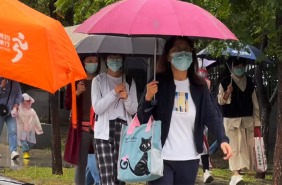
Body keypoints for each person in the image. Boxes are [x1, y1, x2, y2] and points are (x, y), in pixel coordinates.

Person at [139, 36, 232, 185]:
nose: (183, 54)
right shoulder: (157, 83)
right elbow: (141, 118)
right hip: (161, 157)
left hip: (189, 159)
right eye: (177, 50)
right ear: (168, 56)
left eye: (186, 50)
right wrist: (148, 98)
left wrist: (222, 139)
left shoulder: (199, 87)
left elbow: (212, 116)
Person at [92, 54, 137, 185]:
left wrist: (127, 98)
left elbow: (133, 110)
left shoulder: (129, 80)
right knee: (107, 177)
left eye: (118, 58)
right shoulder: (99, 80)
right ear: (106, 60)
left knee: (120, 177)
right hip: (104, 132)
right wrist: (114, 92)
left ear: (123, 60)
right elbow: (97, 108)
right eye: (112, 57)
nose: (115, 61)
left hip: (123, 130)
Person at [218, 57, 260, 185]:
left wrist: (257, 123)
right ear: (232, 68)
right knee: (234, 147)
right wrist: (227, 92)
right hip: (231, 121)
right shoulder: (225, 82)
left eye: (242, 66)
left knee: (246, 148)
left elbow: (255, 104)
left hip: (247, 120)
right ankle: (236, 174)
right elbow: (221, 101)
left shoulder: (250, 82)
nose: (240, 69)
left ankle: (237, 176)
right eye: (237, 67)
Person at [64, 55, 100, 185]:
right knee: (81, 164)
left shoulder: (101, 80)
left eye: (96, 61)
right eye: (90, 61)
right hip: (82, 129)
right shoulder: (75, 81)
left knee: (100, 164)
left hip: (99, 129)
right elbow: (67, 104)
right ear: (83, 62)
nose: (93, 64)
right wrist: (77, 92)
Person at [0, 77, 22, 160]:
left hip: (10, 112)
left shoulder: (16, 83)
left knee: (13, 131)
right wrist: (1, 86)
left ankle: (13, 151)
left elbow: (19, 95)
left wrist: (16, 104)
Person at [17, 93, 43, 159]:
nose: (28, 102)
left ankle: (27, 151)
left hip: (30, 130)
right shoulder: (19, 110)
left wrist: (39, 129)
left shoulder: (32, 111)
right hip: (21, 129)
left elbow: (36, 120)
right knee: (24, 141)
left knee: (30, 142)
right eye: (26, 101)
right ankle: (25, 152)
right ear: (22, 101)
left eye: (29, 101)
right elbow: (13, 114)